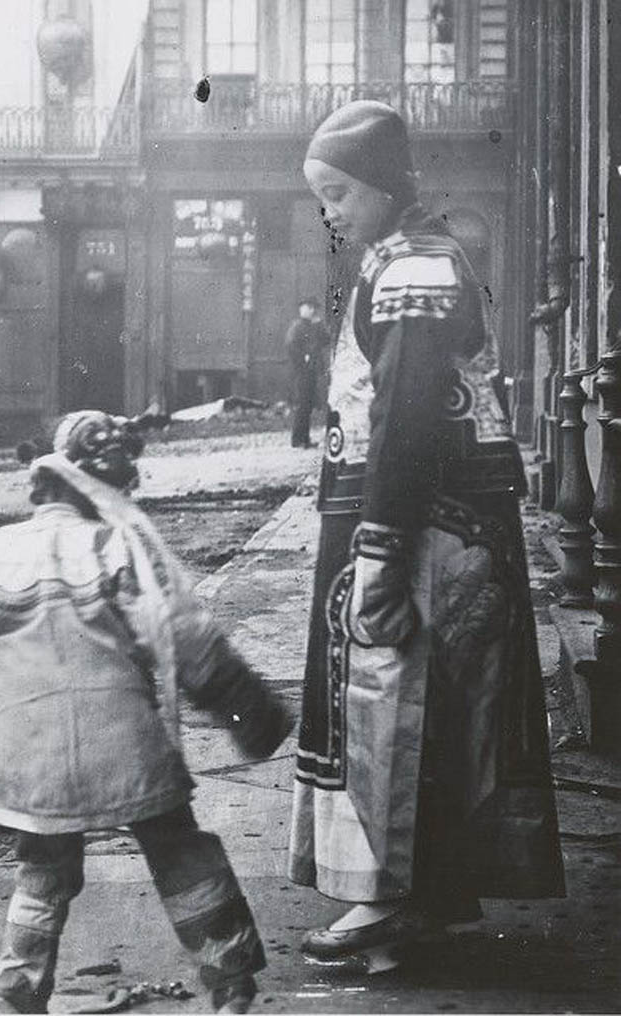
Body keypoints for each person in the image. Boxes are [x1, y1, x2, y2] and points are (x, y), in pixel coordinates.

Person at [288, 101, 565, 970]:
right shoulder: (413, 258)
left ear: (377, 186)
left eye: (337, 191)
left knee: (391, 699)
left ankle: (381, 902)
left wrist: (378, 547)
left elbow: (406, 418)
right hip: (436, 522)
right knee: (434, 707)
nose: (328, 208)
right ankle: (428, 899)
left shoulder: (414, 269)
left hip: (420, 529)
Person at [0, 410, 294, 1015]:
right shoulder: (117, 544)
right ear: (107, 489)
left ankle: (13, 995)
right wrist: (247, 711)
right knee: (180, 851)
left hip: (28, 749)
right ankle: (230, 985)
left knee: (42, 870)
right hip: (122, 739)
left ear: (43, 483)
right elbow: (182, 634)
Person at [285, 298, 331, 448]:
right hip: (301, 371)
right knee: (303, 404)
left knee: (308, 404)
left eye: (312, 308)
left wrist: (319, 325)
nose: (310, 310)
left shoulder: (314, 326)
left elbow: (326, 340)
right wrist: (303, 359)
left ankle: (304, 439)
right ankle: (298, 439)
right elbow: (291, 346)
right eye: (307, 307)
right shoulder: (297, 326)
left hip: (312, 370)